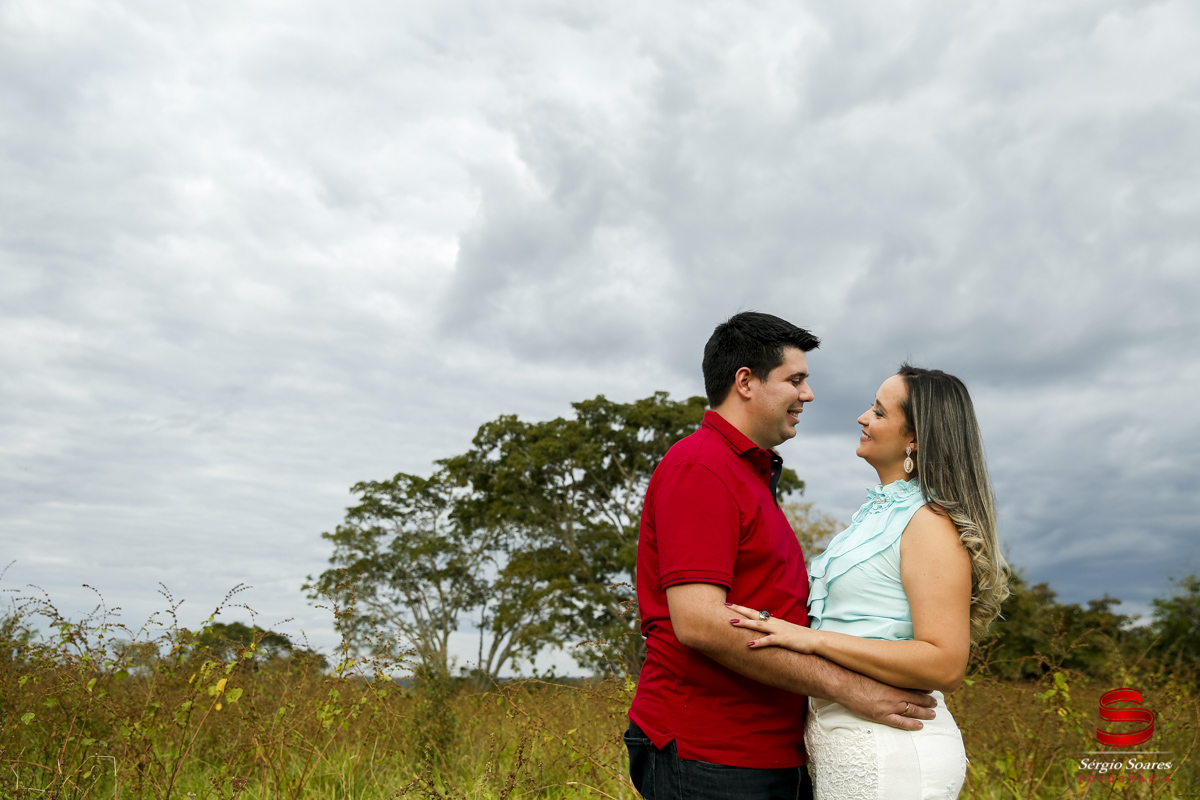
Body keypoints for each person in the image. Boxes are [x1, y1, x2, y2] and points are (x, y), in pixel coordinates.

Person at [626, 313, 939, 800]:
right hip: (711, 754)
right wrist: (851, 689)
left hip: (766, 752)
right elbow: (700, 622)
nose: (807, 395)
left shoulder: (746, 475)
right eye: (795, 380)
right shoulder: (700, 467)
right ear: (745, 382)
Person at [727, 364, 1010, 800]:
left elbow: (945, 663)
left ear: (914, 438)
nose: (862, 417)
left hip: (892, 752)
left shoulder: (928, 522)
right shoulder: (877, 516)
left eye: (879, 412)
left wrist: (809, 640)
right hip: (850, 747)